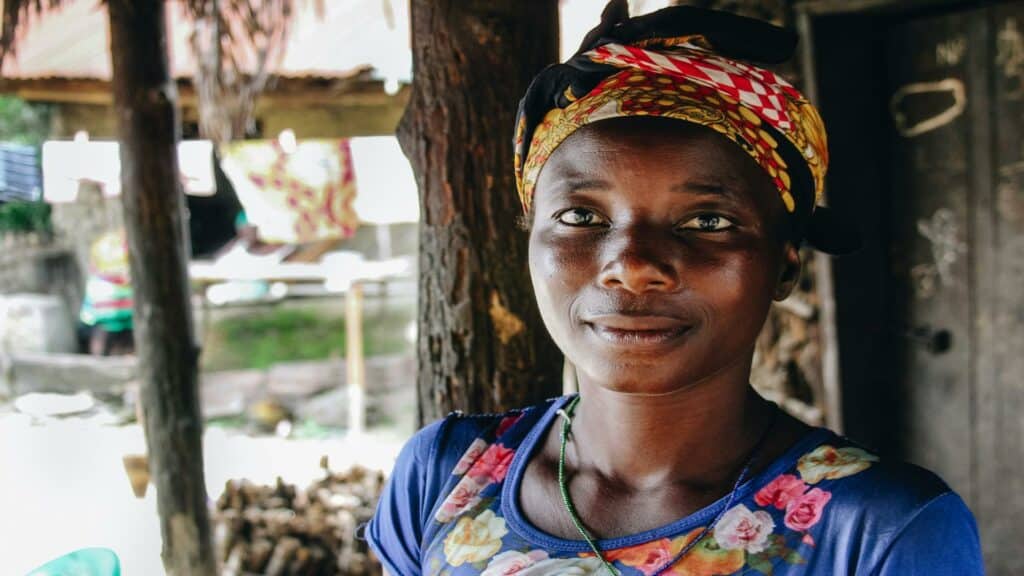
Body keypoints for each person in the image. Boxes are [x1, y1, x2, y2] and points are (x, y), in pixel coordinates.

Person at [367, 4, 984, 575]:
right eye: (581, 217)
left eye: (708, 222)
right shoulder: (446, 476)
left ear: (786, 267)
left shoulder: (884, 532)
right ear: (530, 239)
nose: (632, 265)